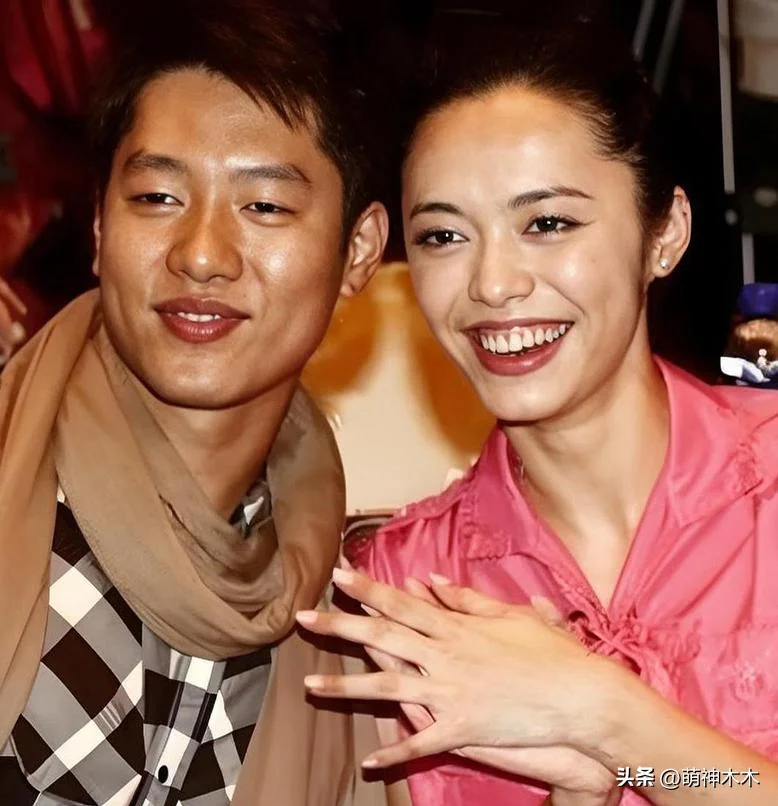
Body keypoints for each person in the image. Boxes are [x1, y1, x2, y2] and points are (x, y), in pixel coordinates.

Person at [294, 10, 778, 806]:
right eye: (443, 236)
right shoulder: (408, 592)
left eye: (547, 223)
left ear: (665, 234)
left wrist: (608, 718)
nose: (493, 283)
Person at [0, 2, 395, 804]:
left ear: (357, 251)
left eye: (265, 206)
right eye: (157, 197)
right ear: (100, 226)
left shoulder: (348, 613)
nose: (203, 255)